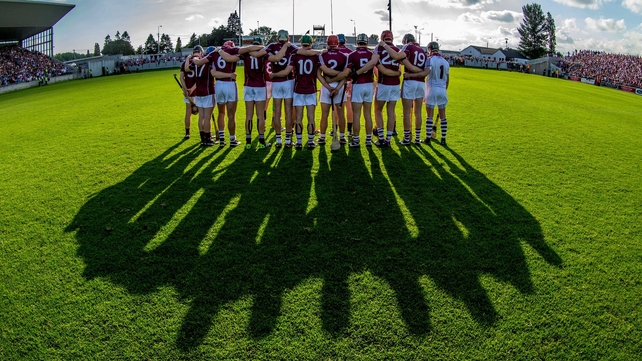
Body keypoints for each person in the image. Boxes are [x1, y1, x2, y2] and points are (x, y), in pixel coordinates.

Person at [193, 41, 262, 147]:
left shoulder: (214, 53)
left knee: (221, 113)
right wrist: (263, 47)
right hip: (230, 84)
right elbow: (247, 49)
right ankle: (232, 139)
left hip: (219, 85)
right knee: (231, 115)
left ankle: (221, 139)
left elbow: (200, 64)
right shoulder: (232, 50)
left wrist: (194, 58)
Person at [270, 35, 320, 149]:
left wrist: (274, 75)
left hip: (298, 90)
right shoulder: (316, 56)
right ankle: (311, 141)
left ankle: (299, 142)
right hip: (311, 90)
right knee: (311, 117)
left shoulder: (295, 55)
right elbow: (319, 74)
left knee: (298, 118)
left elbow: (285, 72)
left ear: (301, 43)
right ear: (311, 44)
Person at [406, 41, 450, 146]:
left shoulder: (429, 59)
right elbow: (447, 79)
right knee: (443, 116)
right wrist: (444, 90)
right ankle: (443, 139)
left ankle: (428, 138)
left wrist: (412, 75)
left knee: (429, 116)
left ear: (429, 49)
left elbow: (426, 73)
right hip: (443, 89)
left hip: (432, 88)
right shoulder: (445, 61)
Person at [345, 33, 380, 147]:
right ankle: (368, 139)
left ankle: (356, 139)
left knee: (356, 114)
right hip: (369, 84)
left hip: (358, 84)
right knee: (367, 114)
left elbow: (348, 71)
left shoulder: (352, 54)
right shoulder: (371, 54)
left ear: (357, 42)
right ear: (367, 42)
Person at [373, 30, 404, 147]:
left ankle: (380, 138)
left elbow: (376, 65)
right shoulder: (397, 50)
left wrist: (387, 72)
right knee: (391, 111)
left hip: (383, 83)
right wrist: (395, 73)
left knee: (378, 110)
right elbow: (399, 71)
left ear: (382, 38)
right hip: (395, 85)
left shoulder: (378, 48)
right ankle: (388, 139)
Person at [317, 34, 349, 146]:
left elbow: (318, 74)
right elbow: (345, 76)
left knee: (324, 114)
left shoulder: (322, 55)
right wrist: (337, 88)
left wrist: (327, 85)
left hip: (326, 87)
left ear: (327, 43)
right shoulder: (344, 56)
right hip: (339, 87)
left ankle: (322, 137)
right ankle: (342, 137)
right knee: (341, 114)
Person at [399, 33, 427, 145]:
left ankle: (407, 138)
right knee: (418, 112)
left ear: (405, 40)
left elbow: (400, 57)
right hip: (421, 82)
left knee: (406, 112)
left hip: (410, 80)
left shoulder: (408, 46)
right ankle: (417, 138)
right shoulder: (423, 51)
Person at [184, 45, 215, 146]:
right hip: (208, 91)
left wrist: (189, 58)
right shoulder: (209, 62)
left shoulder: (196, 62)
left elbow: (187, 68)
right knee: (207, 117)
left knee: (201, 116)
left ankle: (202, 138)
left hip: (199, 93)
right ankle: (208, 138)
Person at [336, 34, 355, 135]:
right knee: (349, 106)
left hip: (337, 81)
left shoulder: (333, 52)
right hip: (349, 81)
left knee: (337, 107)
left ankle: (334, 129)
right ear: (345, 41)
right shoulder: (350, 52)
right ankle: (349, 130)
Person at [180, 47, 199, 140]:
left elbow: (181, 78)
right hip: (198, 92)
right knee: (203, 113)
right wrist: (192, 89)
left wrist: (185, 89)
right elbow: (200, 78)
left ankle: (187, 133)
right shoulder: (199, 61)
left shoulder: (185, 63)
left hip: (188, 93)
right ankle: (205, 133)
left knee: (188, 112)